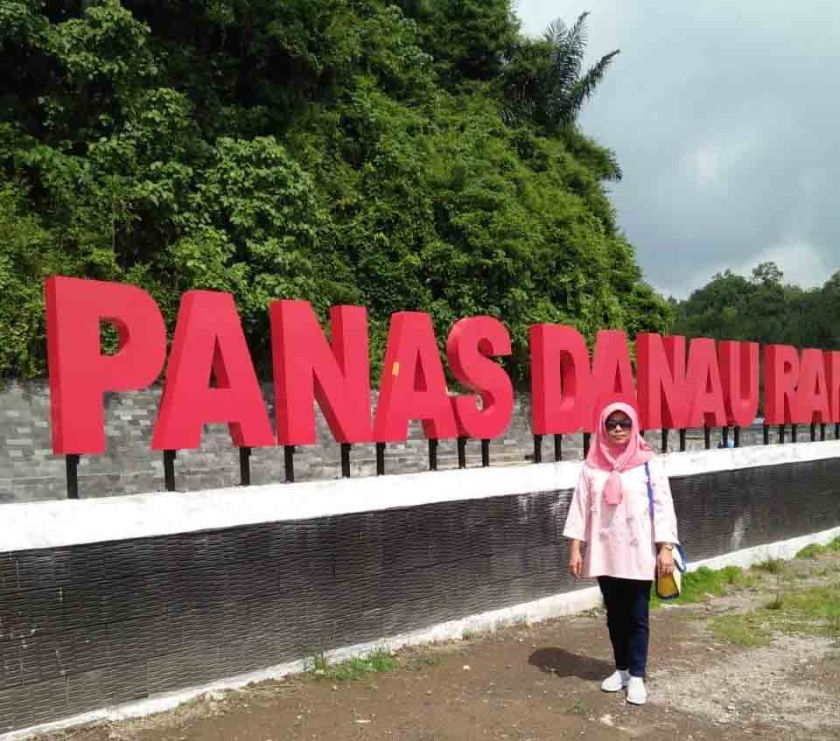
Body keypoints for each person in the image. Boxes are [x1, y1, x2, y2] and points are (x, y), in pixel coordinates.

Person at [563, 401, 679, 705]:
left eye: (624, 423)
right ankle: (622, 670)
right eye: (611, 424)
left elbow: (663, 506)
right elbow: (579, 509)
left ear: (634, 427)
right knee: (614, 615)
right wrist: (575, 549)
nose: (617, 429)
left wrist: (666, 548)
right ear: (603, 428)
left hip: (638, 551)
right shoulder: (591, 467)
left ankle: (637, 676)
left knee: (637, 614)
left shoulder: (648, 464)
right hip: (604, 552)